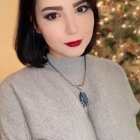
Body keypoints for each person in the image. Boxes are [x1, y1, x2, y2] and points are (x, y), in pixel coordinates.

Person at [0, 0, 140, 139]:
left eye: (81, 9)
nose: (72, 28)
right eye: (53, 15)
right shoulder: (14, 91)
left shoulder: (114, 73)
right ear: (35, 24)